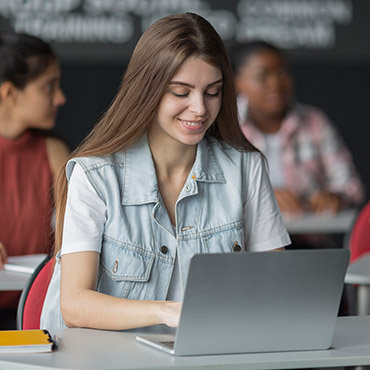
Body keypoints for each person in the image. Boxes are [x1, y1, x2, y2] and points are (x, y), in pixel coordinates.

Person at [41, 13, 291, 332]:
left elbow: (282, 286)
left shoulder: (246, 167)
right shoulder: (95, 175)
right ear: (148, 89)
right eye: (181, 92)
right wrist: (166, 312)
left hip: (208, 353)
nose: (200, 108)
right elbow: (75, 305)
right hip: (107, 359)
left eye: (212, 92)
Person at [234, 41, 364, 219]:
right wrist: (261, 197)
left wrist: (335, 197)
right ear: (237, 83)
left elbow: (351, 185)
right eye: (262, 76)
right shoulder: (225, 126)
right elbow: (212, 192)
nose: (275, 83)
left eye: (281, 73)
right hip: (245, 243)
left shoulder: (314, 122)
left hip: (307, 241)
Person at [0, 32, 69, 328]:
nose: (60, 98)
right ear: (10, 94)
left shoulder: (55, 153)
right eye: (48, 87)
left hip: (36, 316)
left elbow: (72, 247)